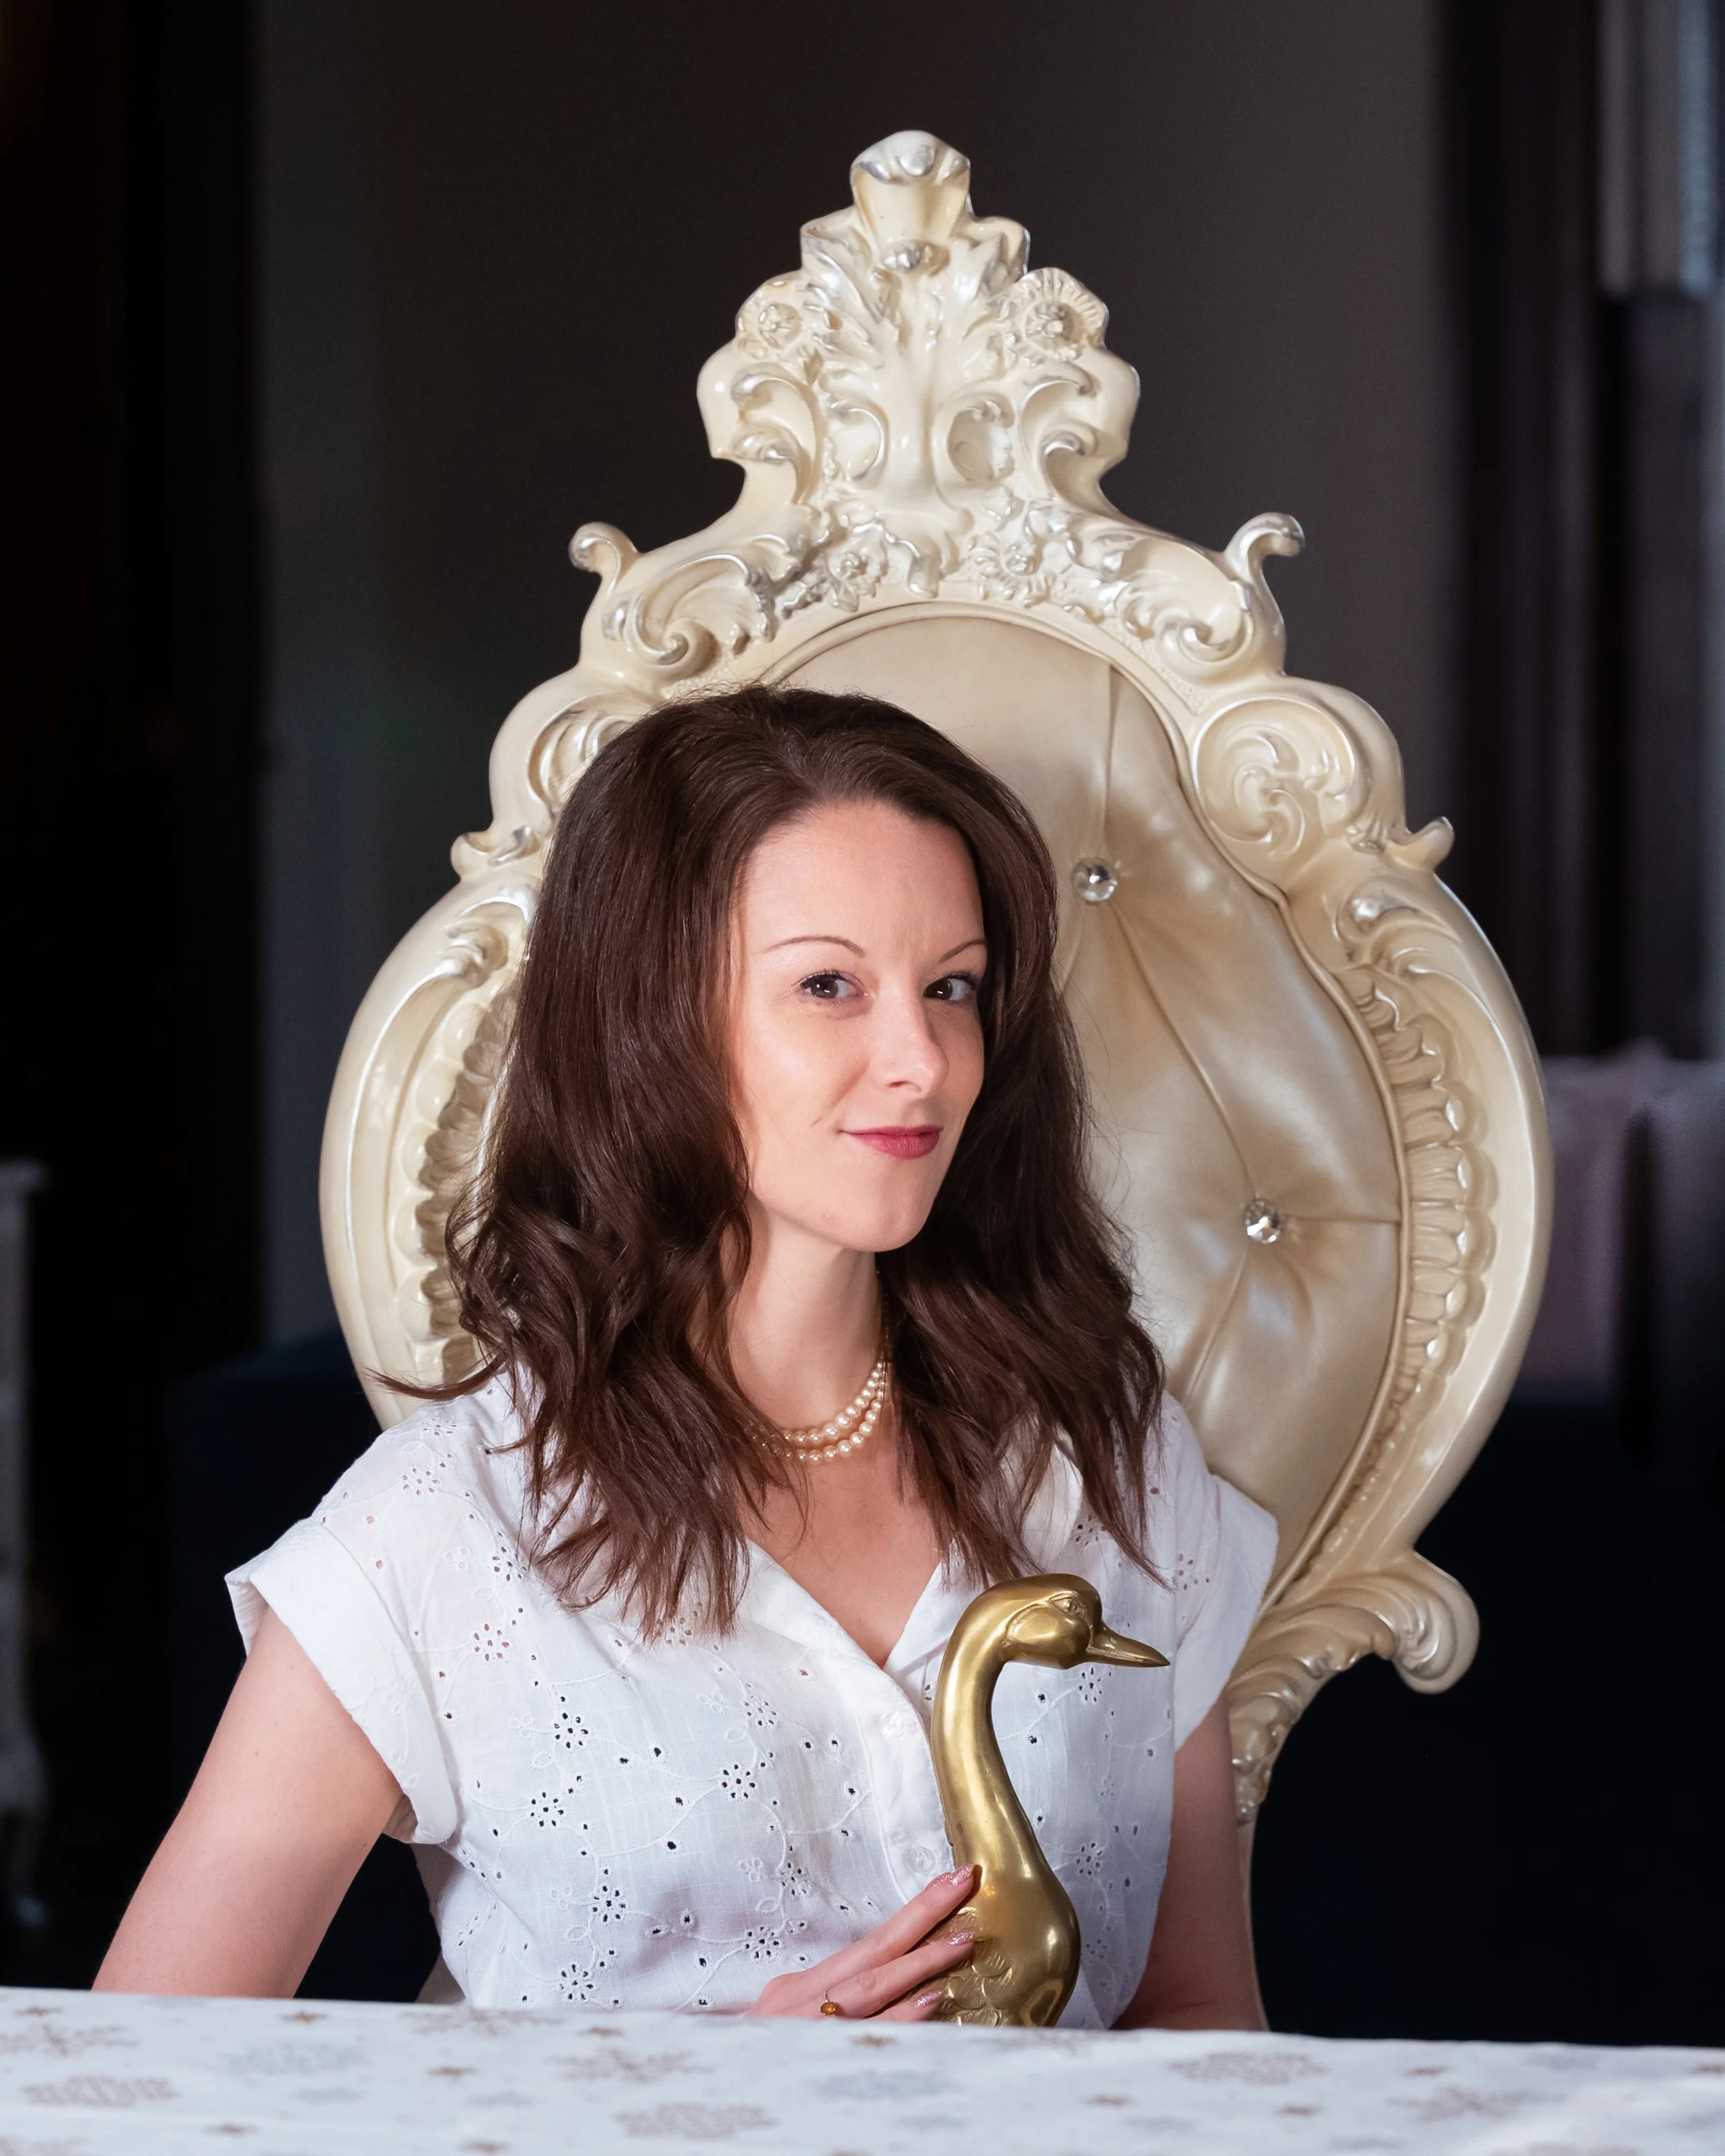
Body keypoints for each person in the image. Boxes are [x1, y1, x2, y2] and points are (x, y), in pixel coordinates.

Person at [97, 684, 1276, 2026]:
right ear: (648, 1023)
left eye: (950, 986)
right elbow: (132, 2077)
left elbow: (1200, 2019)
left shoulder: (1106, 1450)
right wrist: (701, 2093)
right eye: (829, 985)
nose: (925, 1060)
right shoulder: (438, 1529)